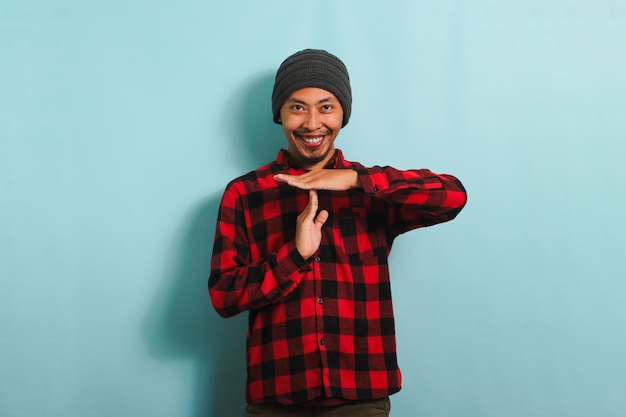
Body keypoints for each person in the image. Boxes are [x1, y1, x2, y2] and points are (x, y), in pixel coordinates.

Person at [208, 49, 467, 416]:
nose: (312, 123)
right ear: (279, 114)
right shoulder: (245, 194)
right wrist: (293, 257)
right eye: (297, 107)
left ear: (343, 113)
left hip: (360, 396)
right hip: (278, 396)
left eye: (326, 107)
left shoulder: (371, 193)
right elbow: (223, 296)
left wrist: (354, 179)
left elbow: (452, 196)